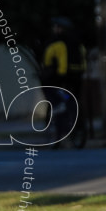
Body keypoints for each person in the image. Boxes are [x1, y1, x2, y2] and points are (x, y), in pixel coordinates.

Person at [40, 17, 86, 147]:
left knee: (57, 99)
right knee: (75, 99)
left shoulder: (55, 43)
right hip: (77, 76)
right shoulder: (78, 43)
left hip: (62, 78)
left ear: (59, 29)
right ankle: (79, 124)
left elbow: (47, 60)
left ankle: (60, 123)